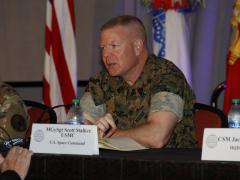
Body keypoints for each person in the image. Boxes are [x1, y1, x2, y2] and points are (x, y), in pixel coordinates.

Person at [80, 15, 196, 148]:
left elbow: (157, 136)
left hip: (166, 164)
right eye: (103, 48)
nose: (106, 54)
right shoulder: (102, 81)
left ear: (137, 46)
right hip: (116, 164)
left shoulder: (166, 75)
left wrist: (108, 134)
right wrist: (87, 129)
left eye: (114, 46)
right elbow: (79, 128)